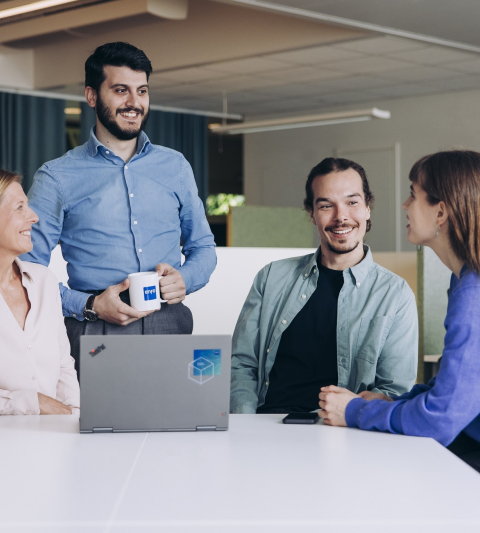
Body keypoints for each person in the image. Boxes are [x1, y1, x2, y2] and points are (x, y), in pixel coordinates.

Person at [21, 42, 216, 373]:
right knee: (96, 424)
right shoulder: (57, 176)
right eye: (121, 90)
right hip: (95, 327)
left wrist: (185, 278)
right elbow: (26, 268)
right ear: (92, 96)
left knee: (174, 421)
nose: (134, 103)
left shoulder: (176, 166)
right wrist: (88, 305)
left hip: (169, 322)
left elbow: (203, 248)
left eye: (142, 91)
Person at [319, 150, 480, 473]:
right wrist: (395, 402)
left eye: (413, 194)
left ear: (441, 213)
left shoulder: (473, 296)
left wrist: (352, 411)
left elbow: (441, 419)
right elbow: (457, 387)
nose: (405, 205)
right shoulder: (464, 281)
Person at [230, 157, 418, 414]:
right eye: (327, 205)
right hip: (267, 427)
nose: (341, 217)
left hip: (346, 432)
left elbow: (394, 392)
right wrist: (246, 425)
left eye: (352, 202)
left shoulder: (394, 294)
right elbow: (241, 365)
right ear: (312, 214)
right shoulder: (271, 277)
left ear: (367, 209)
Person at [0, 169, 79, 415]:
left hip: (52, 441)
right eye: (20, 208)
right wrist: (31, 402)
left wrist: (74, 417)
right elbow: (35, 403)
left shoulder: (44, 281)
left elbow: (64, 367)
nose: (33, 217)